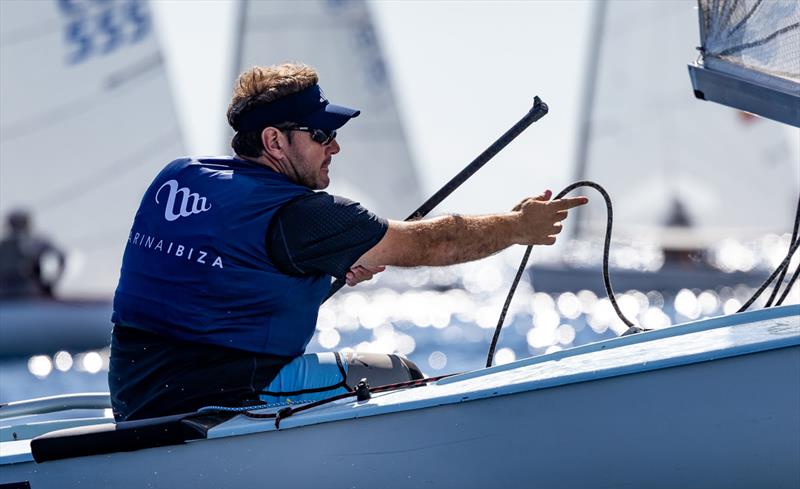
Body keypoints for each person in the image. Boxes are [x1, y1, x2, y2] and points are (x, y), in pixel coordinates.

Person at [108, 63, 587, 421]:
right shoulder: (306, 217)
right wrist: (518, 225)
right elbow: (434, 244)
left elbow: (218, 272)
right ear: (274, 141)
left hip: (134, 395)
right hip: (218, 398)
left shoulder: (178, 176)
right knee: (399, 375)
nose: (334, 146)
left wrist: (321, 269)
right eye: (321, 134)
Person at [0, 209, 65, 299]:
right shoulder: (37, 243)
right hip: (30, 292)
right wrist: (50, 283)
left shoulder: (4, 245)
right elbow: (61, 257)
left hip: (7, 293)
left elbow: (61, 257)